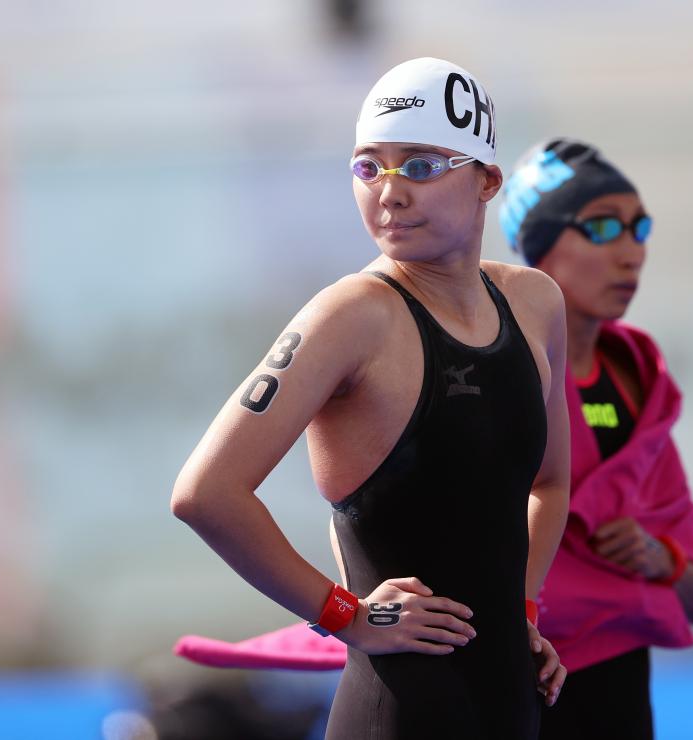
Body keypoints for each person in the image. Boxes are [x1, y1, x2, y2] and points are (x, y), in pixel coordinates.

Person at [170, 57, 570, 739]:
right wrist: (346, 615)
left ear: (486, 180)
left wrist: (521, 609)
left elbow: (550, 483)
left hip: (514, 700)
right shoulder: (350, 317)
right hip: (399, 711)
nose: (389, 192)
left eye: (420, 166)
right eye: (368, 167)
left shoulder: (535, 303)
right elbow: (205, 493)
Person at [498, 137, 693, 739]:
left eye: (638, 228)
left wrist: (663, 557)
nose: (631, 253)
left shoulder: (640, 383)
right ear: (539, 247)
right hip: (515, 670)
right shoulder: (496, 378)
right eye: (601, 228)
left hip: (619, 682)